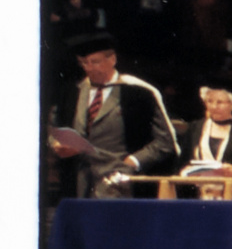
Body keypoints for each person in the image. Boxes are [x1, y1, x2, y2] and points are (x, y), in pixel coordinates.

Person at [51, 32, 178, 199]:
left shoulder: (138, 93)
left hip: (122, 182)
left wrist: (134, 161)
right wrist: (56, 144)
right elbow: (53, 127)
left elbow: (165, 142)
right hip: (79, 183)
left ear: (112, 60)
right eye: (84, 63)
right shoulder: (72, 92)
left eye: (95, 62)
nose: (89, 68)